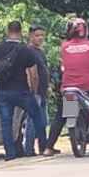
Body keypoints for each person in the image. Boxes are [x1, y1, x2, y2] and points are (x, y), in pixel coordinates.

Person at [44, 18, 89, 156]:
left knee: (61, 115)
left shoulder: (64, 47)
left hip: (68, 88)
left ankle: (48, 147)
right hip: (87, 86)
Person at [0, 21, 46, 161]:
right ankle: (44, 146)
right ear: (20, 32)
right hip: (22, 91)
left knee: (6, 123)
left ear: (8, 31)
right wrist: (34, 91)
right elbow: (34, 75)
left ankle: (10, 154)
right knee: (37, 116)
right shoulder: (26, 50)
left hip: (3, 92)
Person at [25, 24, 56, 155]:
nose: (40, 38)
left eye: (42, 35)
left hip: (42, 91)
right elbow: (29, 72)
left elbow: (44, 70)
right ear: (30, 36)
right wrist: (33, 90)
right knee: (32, 121)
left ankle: (44, 146)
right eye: (37, 35)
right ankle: (29, 149)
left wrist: (48, 86)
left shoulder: (40, 52)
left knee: (43, 121)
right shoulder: (28, 51)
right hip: (34, 92)